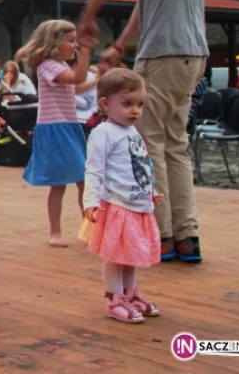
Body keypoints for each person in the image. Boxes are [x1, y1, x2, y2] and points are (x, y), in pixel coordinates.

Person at [82, 0, 207, 264]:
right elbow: (144, 5)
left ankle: (162, 235)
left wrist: (88, 19)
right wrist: (120, 45)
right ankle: (186, 235)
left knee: (146, 141)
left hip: (166, 51)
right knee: (174, 142)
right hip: (190, 53)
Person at [83, 69, 162, 323]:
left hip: (138, 204)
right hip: (117, 204)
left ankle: (130, 293)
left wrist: (151, 190)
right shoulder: (103, 133)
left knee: (132, 254)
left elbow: (140, 164)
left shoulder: (131, 132)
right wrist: (91, 201)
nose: (135, 111)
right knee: (116, 255)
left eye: (139, 104)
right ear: (105, 104)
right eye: (127, 104)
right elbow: (94, 169)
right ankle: (113, 298)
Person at [14, 20, 93, 248]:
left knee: (84, 181)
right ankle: (55, 231)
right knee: (60, 184)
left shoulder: (60, 65)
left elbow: (76, 87)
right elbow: (77, 79)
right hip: (55, 127)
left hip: (69, 126)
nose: (75, 45)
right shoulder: (48, 65)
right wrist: (87, 53)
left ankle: (88, 228)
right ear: (54, 42)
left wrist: (100, 78)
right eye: (71, 41)